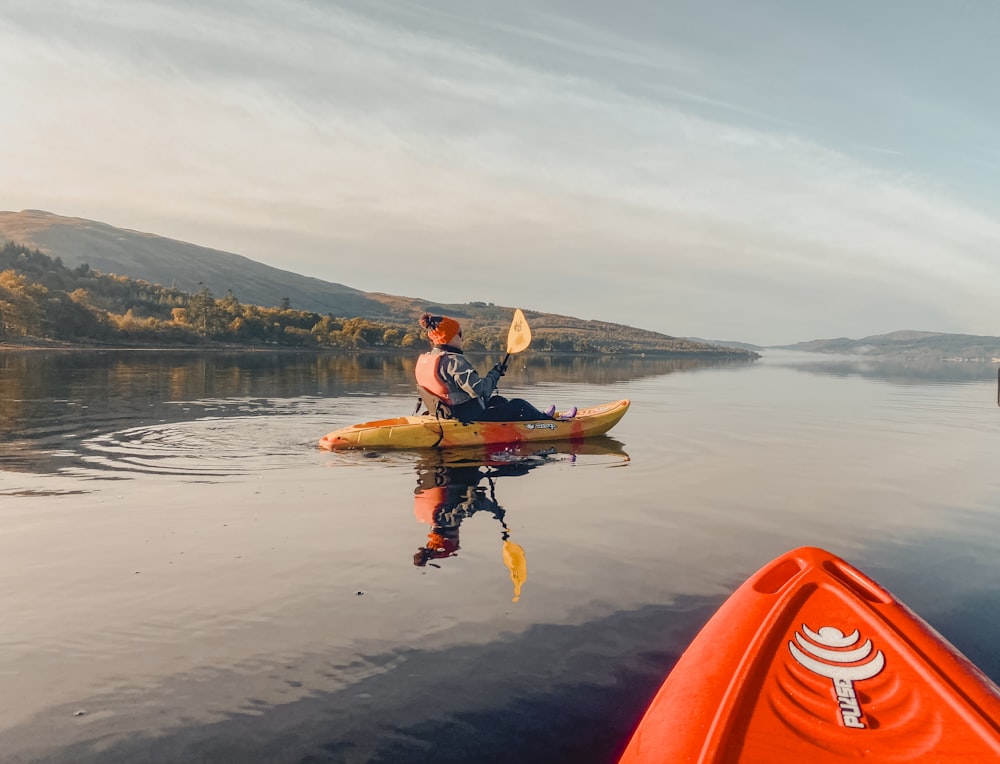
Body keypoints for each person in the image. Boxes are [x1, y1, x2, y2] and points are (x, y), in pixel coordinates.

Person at [415, 313, 574, 423]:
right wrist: (495, 373)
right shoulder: (454, 361)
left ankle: (537, 417)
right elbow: (480, 390)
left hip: (445, 413)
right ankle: (549, 423)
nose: (462, 338)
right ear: (450, 337)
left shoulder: (427, 359)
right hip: (465, 417)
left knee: (498, 400)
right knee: (519, 404)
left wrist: (495, 375)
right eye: (460, 334)